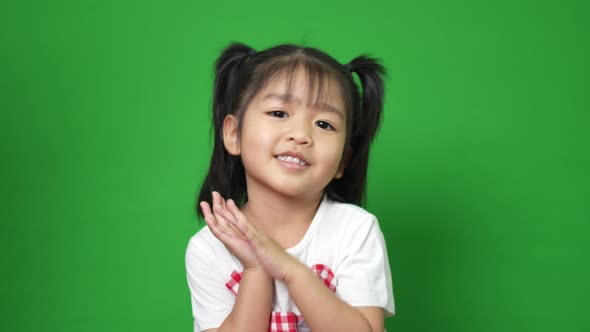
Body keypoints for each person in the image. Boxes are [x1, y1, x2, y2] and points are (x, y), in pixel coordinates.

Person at [185, 42, 395, 332]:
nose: (300, 135)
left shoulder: (355, 230)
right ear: (234, 134)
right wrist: (256, 269)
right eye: (279, 113)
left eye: (324, 123)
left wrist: (289, 269)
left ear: (342, 161)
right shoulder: (209, 249)